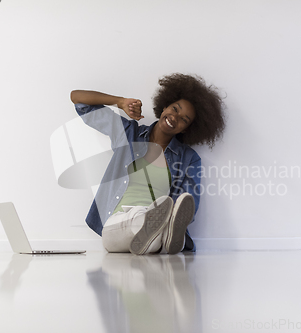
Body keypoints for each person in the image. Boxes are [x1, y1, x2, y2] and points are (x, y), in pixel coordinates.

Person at [70, 73, 226, 255]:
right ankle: (163, 234)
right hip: (118, 224)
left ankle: (159, 235)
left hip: (154, 225)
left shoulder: (188, 158)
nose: (175, 117)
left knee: (154, 230)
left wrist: (174, 217)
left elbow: (189, 204)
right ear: (165, 105)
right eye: (175, 109)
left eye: (184, 119)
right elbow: (79, 100)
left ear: (187, 129)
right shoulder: (128, 134)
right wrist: (120, 102)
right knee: (142, 220)